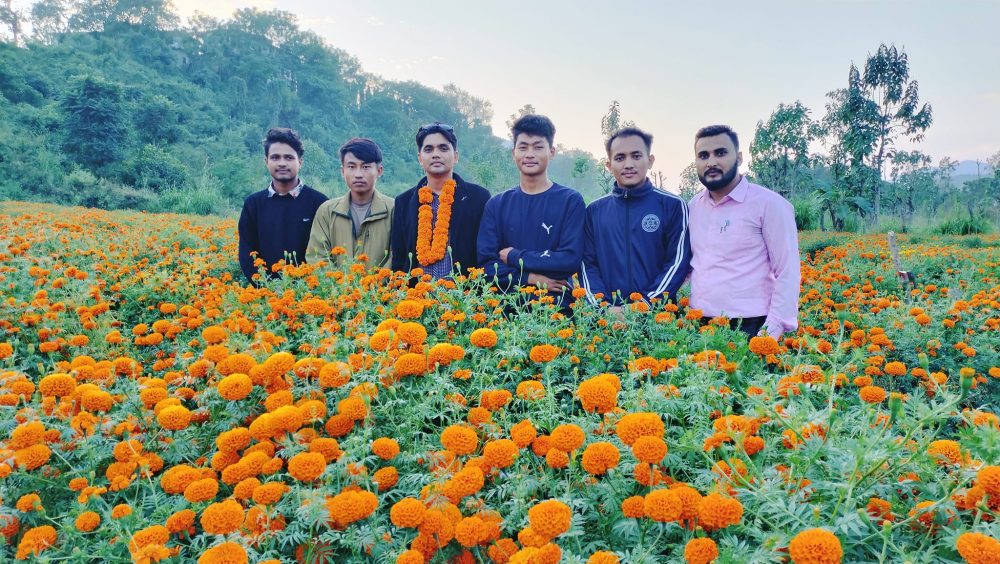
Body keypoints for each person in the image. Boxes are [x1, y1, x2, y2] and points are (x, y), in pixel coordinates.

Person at [688, 124, 800, 338]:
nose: (711, 162)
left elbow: (788, 271)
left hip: (751, 325)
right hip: (701, 325)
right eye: (703, 155)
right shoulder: (693, 207)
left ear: (739, 158)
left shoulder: (770, 204)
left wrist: (771, 331)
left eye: (720, 153)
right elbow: (688, 264)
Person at [477, 114, 585, 305]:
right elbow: (487, 266)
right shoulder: (497, 204)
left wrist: (514, 256)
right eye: (523, 147)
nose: (529, 154)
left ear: (552, 152)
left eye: (538, 147)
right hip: (506, 307)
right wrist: (532, 278)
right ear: (514, 153)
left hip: (556, 308)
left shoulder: (570, 201)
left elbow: (569, 259)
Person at [581, 127, 691, 313]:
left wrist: (645, 305)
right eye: (620, 158)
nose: (628, 164)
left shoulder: (672, 205)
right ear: (609, 165)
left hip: (658, 318)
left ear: (650, 160)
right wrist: (603, 309)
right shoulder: (594, 211)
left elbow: (677, 262)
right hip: (607, 318)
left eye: (636, 156)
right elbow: (587, 264)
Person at [391, 123, 490, 279]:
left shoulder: (478, 198)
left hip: (463, 292)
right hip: (416, 291)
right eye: (428, 149)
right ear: (420, 158)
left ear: (455, 156)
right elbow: (399, 256)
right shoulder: (404, 202)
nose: (436, 154)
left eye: (443, 148)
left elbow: (486, 252)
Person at [238, 127, 328, 285]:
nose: (282, 163)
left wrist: (307, 288)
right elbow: (247, 253)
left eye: (289, 157)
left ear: (300, 162)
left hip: (309, 291)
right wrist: (266, 287)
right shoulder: (253, 204)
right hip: (265, 291)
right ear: (266, 162)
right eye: (275, 157)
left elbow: (325, 253)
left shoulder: (320, 203)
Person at [306, 138, 394, 268]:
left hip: (382, 282)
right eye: (351, 167)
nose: (358, 174)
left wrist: (375, 280)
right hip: (336, 282)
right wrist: (341, 281)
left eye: (365, 167)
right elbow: (317, 256)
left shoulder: (394, 210)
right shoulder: (327, 211)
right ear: (343, 171)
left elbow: (397, 255)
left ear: (379, 171)